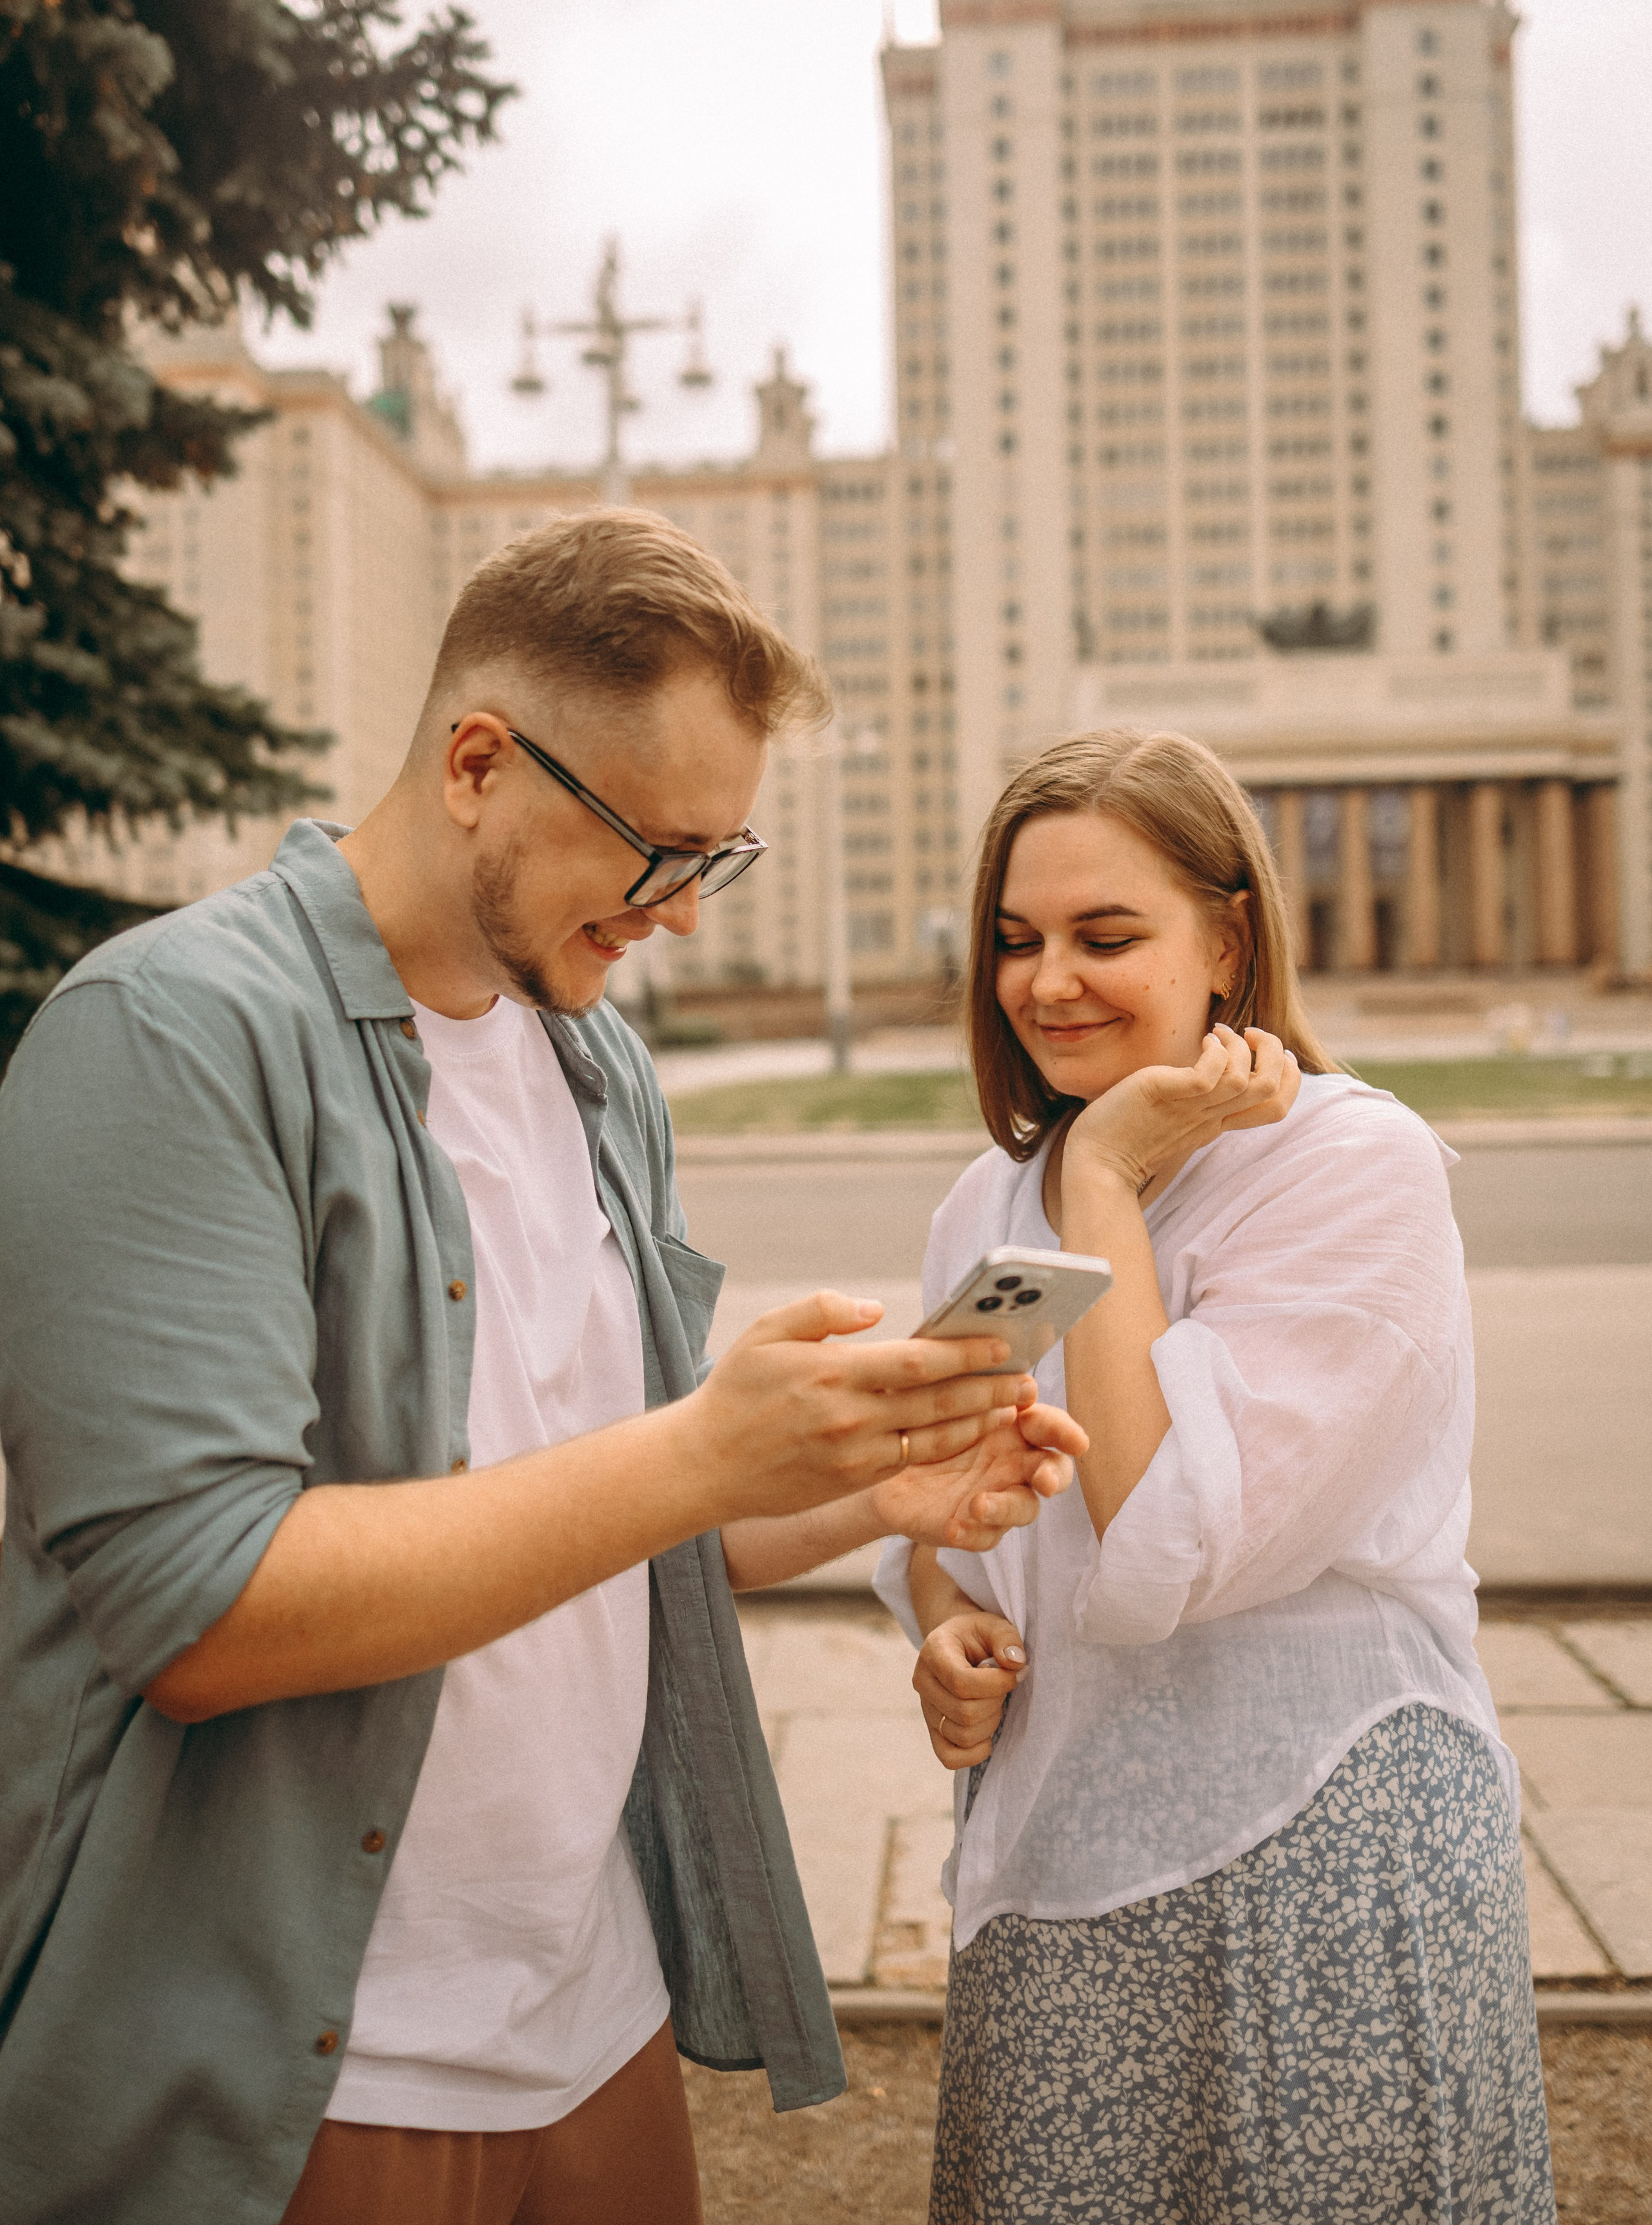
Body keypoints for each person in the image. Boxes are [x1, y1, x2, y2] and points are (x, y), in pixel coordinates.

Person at [0, 508, 1085, 2225]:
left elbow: (617, 1523)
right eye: (658, 851)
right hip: (319, 2056)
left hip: (597, 2014)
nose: (679, 914)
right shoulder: (167, 1037)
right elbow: (199, 1615)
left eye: (716, 861)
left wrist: (871, 1485)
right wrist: (704, 1453)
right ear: (480, 763)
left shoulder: (601, 1072)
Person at [876, 728, 1556, 2224]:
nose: (1047, 981)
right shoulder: (982, 1204)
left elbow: (1166, 1539)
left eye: (1104, 936)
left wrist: (1105, 1180)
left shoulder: (1349, 1166)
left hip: (1318, 1851)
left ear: (1228, 937)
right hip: (1056, 1869)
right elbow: (939, 1496)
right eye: (1014, 940)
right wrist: (941, 1618)